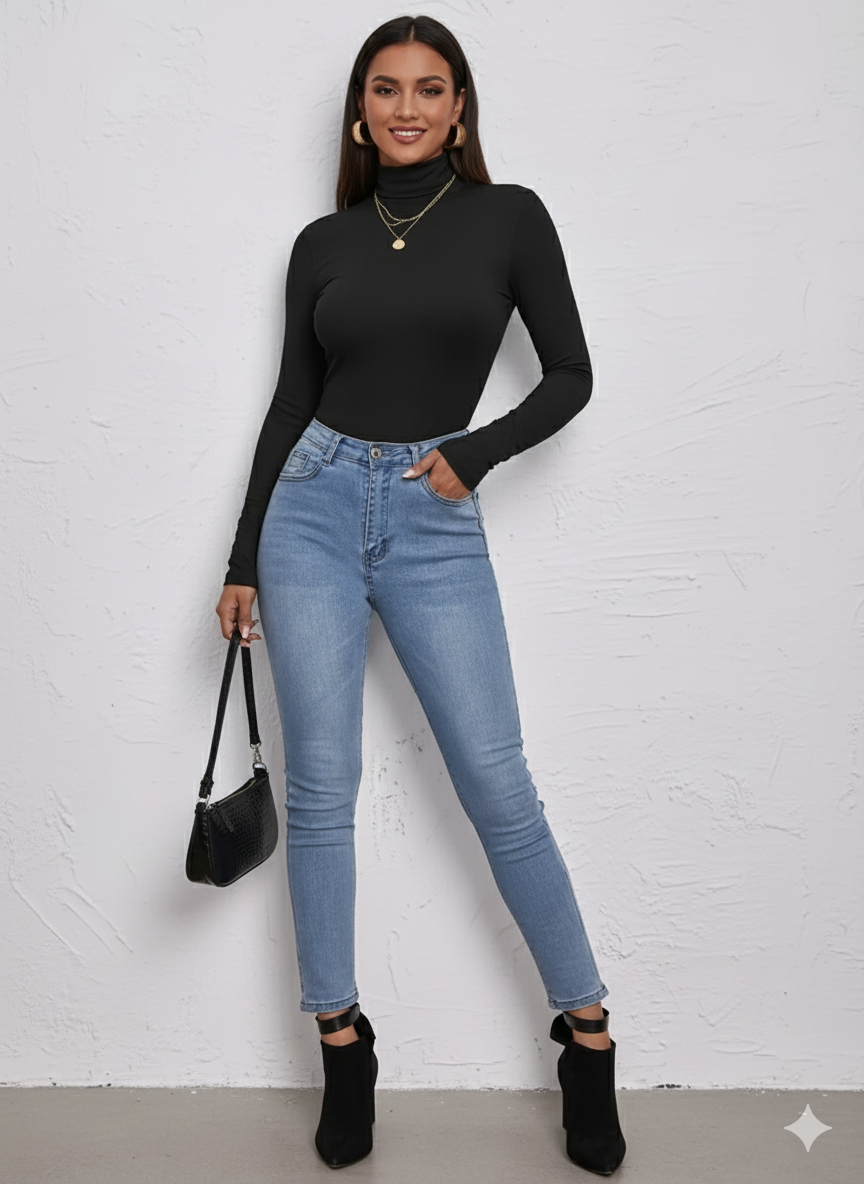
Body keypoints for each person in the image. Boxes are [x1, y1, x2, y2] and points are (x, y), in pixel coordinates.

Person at [215, 14, 626, 1176]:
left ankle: (587, 1032)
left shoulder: (509, 217)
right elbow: (290, 403)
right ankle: (342, 1041)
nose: (407, 107)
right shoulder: (322, 244)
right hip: (309, 511)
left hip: (433, 516)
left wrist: (473, 456)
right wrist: (242, 557)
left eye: (429, 88)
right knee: (324, 788)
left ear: (459, 109)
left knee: (498, 782)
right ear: (361, 113)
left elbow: (571, 374)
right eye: (386, 89)